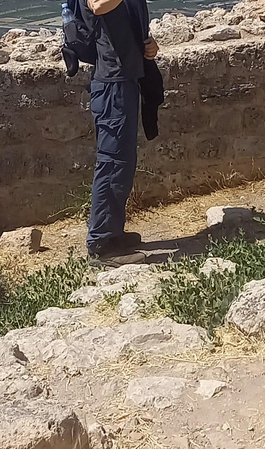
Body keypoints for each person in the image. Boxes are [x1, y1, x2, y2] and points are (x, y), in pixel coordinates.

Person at [77, 0, 160, 267]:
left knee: (122, 164)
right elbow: (98, 5)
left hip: (125, 80)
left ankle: (113, 234)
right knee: (112, 164)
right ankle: (101, 243)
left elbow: (125, 24)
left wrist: (148, 45)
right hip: (111, 84)